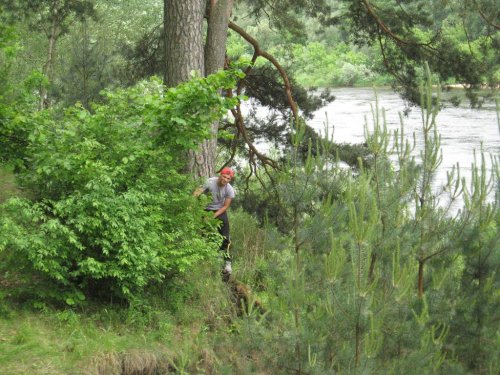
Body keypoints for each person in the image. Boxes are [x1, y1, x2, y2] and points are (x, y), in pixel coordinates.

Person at [194, 167, 235, 275]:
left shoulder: (229, 189)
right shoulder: (210, 182)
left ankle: (227, 263)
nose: (225, 179)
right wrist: (192, 205)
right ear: (220, 175)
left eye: (228, 178)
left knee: (226, 237)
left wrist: (213, 216)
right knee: (204, 234)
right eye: (224, 176)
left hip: (220, 210)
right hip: (206, 209)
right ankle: (204, 260)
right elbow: (197, 192)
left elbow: (225, 206)